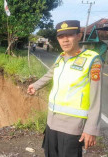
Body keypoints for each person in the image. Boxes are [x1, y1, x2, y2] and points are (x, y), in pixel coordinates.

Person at [27, 20, 102, 157]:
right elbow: (51, 73)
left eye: (69, 35)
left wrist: (91, 128)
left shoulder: (92, 60)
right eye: (61, 37)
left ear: (78, 36)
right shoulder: (60, 58)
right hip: (52, 122)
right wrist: (35, 85)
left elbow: (96, 97)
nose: (65, 40)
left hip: (72, 126)